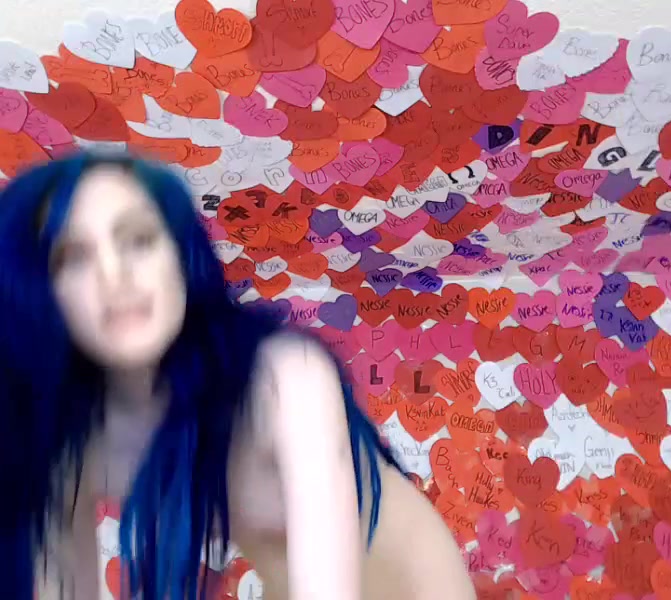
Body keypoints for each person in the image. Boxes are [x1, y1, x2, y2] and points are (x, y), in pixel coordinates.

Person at [0, 153, 475, 600]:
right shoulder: (70, 438)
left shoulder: (285, 376)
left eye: (139, 240)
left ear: (182, 254)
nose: (114, 276)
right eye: (71, 257)